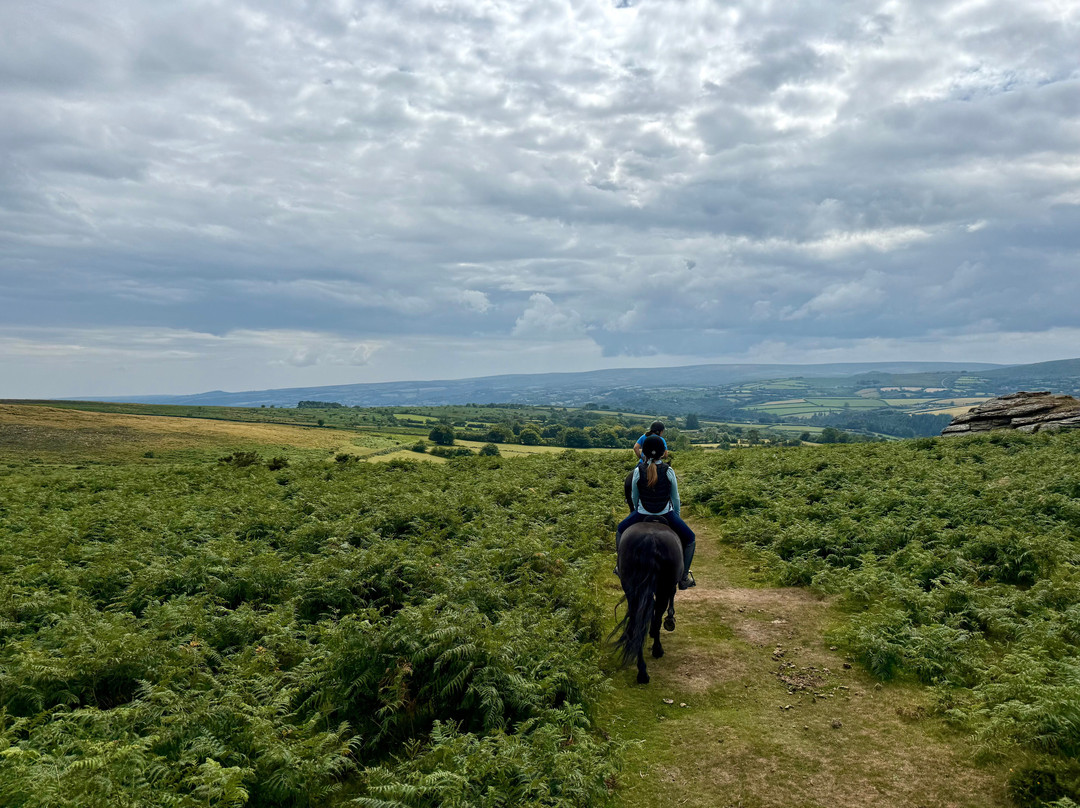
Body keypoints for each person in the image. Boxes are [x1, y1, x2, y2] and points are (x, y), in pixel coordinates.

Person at [618, 434, 696, 589]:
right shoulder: (668, 470)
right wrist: (676, 516)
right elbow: (675, 497)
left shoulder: (638, 470)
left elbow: (634, 495)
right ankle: (684, 576)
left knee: (620, 530)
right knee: (690, 539)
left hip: (641, 513)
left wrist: (637, 509)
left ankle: (620, 567)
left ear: (644, 453)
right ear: (662, 453)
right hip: (666, 513)